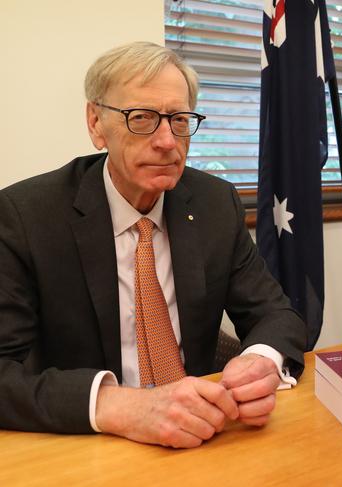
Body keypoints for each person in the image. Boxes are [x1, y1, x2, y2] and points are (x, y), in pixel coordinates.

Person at [0, 41, 307, 447]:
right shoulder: (27, 216)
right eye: (141, 117)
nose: (166, 141)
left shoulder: (215, 202)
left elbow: (275, 312)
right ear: (96, 123)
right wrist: (118, 405)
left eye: (179, 119)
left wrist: (261, 362)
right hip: (89, 446)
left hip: (202, 434)